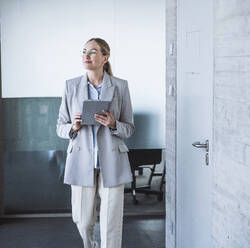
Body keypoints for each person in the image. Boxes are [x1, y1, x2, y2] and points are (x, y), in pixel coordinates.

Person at [56, 37, 135, 248]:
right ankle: (90, 245)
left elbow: (129, 127)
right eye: (84, 51)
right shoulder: (71, 86)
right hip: (81, 160)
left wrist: (113, 123)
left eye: (92, 52)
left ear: (105, 57)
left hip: (112, 160)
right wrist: (73, 127)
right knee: (82, 220)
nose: (86, 56)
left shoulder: (120, 86)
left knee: (111, 223)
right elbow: (60, 127)